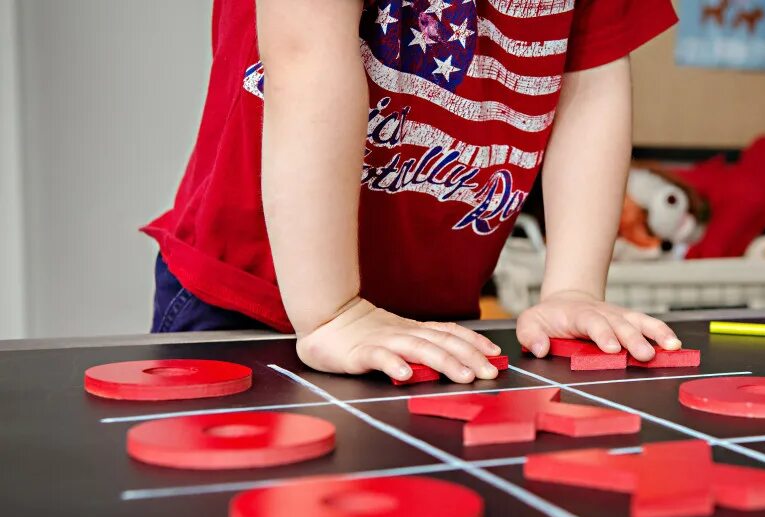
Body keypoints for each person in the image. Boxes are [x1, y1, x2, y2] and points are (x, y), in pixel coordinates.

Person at [144, 0, 682, 384]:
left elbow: (589, 79)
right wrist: (331, 313)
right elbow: (307, 58)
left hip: (430, 313)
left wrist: (573, 289)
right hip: (255, 296)